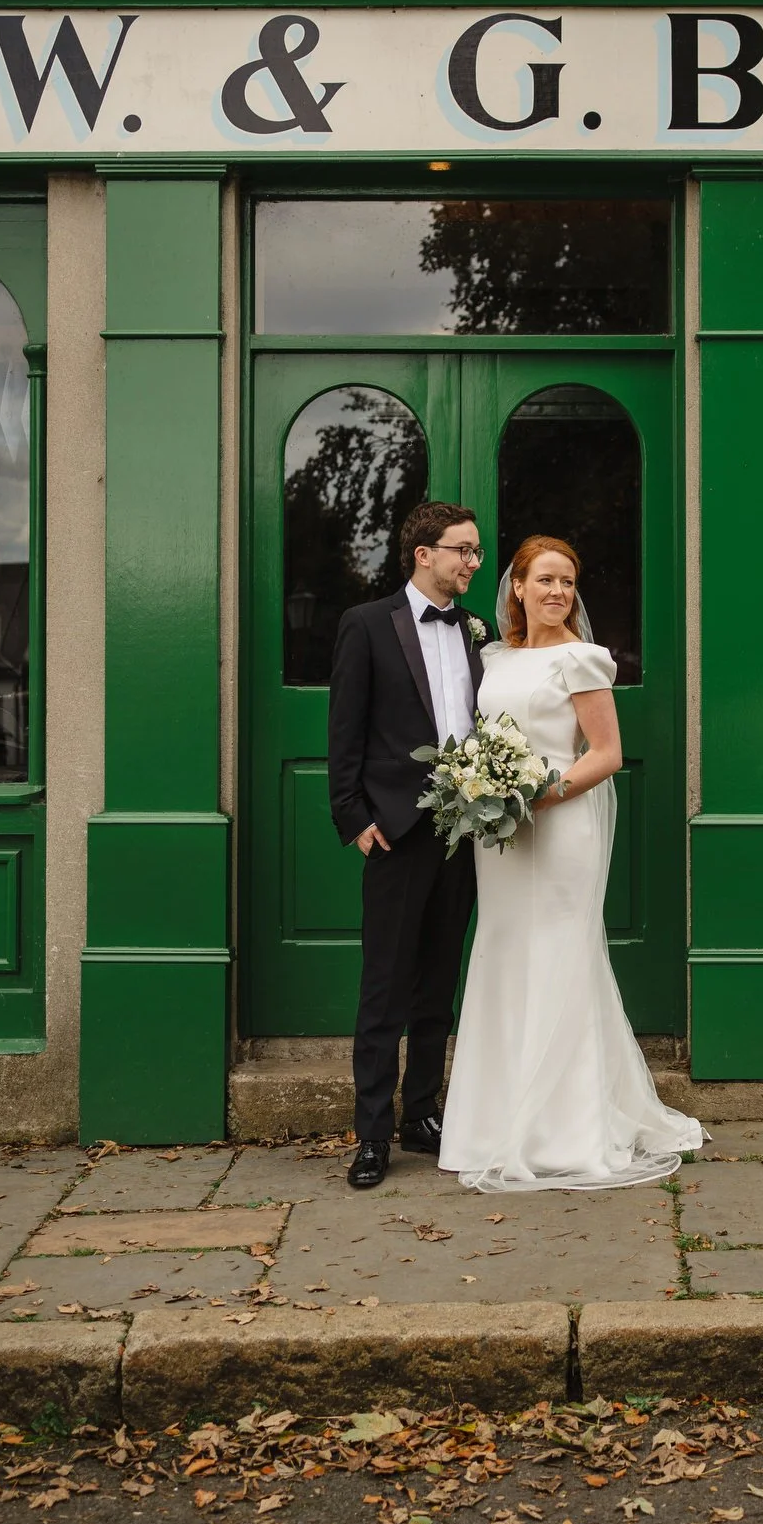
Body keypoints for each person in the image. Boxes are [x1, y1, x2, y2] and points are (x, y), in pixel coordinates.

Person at [439, 535, 705, 1190]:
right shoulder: (494, 657)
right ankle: (490, 1125)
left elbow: (607, 753)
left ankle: (567, 1128)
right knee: (503, 948)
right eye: (546, 580)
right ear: (519, 588)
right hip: (499, 832)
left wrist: (538, 794)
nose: (558, 591)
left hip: (560, 825)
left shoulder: (582, 660)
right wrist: (486, 788)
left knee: (560, 951)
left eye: (568, 582)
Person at [327, 500, 486, 1189]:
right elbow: (344, 732)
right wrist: (354, 818)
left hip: (465, 834)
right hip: (394, 832)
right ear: (423, 553)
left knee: (437, 988)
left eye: (476, 551)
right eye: (462, 550)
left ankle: (422, 1112)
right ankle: (372, 1136)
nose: (473, 562)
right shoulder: (366, 626)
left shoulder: (479, 633)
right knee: (384, 990)